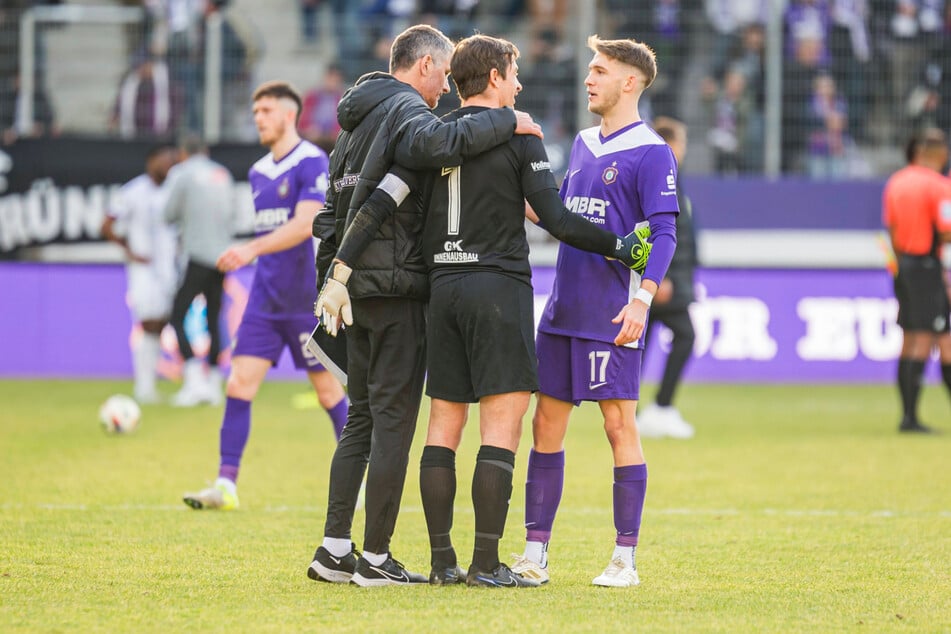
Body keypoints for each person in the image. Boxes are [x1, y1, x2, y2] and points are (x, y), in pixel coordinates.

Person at [326, 34, 648, 588]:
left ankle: (441, 561)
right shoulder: (520, 136)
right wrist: (619, 246)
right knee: (502, 424)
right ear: (495, 77)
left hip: (442, 291)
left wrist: (339, 271)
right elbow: (557, 220)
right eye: (514, 73)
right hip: (498, 290)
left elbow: (378, 203)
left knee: (443, 427)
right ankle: (486, 564)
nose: (519, 84)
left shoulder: (431, 140)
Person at [304, 24, 543, 587]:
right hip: (394, 287)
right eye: (440, 78)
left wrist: (335, 272)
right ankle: (377, 559)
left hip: (355, 287)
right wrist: (508, 120)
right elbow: (437, 146)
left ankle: (335, 548)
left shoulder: (355, 123)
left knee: (359, 420)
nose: (443, 95)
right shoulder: (408, 110)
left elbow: (334, 208)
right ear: (427, 67)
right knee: (392, 423)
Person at [510, 35, 680, 588]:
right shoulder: (582, 143)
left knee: (617, 425)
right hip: (562, 311)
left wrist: (642, 296)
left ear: (629, 81)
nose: (589, 79)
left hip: (613, 313)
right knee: (545, 426)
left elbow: (665, 232)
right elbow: (559, 215)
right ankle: (535, 555)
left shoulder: (653, 151)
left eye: (600, 71)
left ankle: (624, 559)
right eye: (590, 69)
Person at [182, 80, 349, 510]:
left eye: (266, 111)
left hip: (305, 301)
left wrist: (250, 248)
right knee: (239, 384)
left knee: (328, 393)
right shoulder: (258, 171)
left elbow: (306, 222)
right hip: (263, 301)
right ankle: (225, 485)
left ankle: (357, 478)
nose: (258, 118)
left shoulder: (312, 161)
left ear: (289, 114)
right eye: (255, 112)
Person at [882, 127, 951, 434]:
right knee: (934, 340)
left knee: (910, 338)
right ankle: (910, 419)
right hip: (926, 264)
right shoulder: (938, 186)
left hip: (904, 265)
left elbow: (893, 231)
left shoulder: (896, 182)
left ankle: (908, 414)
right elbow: (946, 229)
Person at [101, 144, 179, 404]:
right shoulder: (133, 191)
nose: (169, 165)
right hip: (144, 269)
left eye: (172, 160)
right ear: (151, 162)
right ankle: (143, 385)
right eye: (165, 160)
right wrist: (129, 251)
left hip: (168, 267)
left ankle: (149, 385)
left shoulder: (173, 191)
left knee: (161, 324)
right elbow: (107, 224)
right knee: (147, 323)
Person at [163, 134, 235, 408]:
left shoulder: (181, 173)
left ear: (183, 152)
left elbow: (168, 213)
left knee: (177, 315)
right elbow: (231, 214)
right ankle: (215, 385)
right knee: (214, 317)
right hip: (222, 256)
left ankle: (194, 382)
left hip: (197, 254)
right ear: (204, 151)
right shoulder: (222, 173)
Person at [637, 116, 698, 439]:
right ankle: (658, 408)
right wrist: (661, 276)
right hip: (662, 281)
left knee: (641, 345)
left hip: (667, 278)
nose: (683, 150)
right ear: (670, 144)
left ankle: (638, 411)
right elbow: (661, 231)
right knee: (684, 336)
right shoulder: (662, 175)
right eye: (681, 143)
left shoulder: (672, 176)